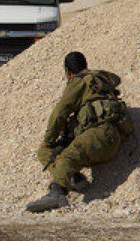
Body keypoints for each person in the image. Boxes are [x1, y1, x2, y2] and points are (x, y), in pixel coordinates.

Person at [25, 51, 132, 213]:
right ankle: (75, 179)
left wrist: (48, 141)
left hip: (98, 134)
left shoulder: (78, 82)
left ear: (68, 72)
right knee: (57, 154)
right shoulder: (100, 81)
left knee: (57, 154)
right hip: (113, 138)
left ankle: (57, 192)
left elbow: (59, 113)